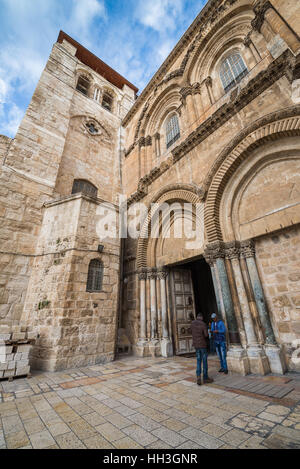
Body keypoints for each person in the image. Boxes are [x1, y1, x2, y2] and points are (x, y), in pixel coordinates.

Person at [191, 314, 214, 386]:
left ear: (197, 317)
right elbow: (206, 335)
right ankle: (205, 377)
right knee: (204, 361)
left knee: (198, 361)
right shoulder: (203, 324)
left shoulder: (192, 323)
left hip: (196, 345)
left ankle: (198, 376)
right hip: (202, 345)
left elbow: (191, 332)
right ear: (202, 318)